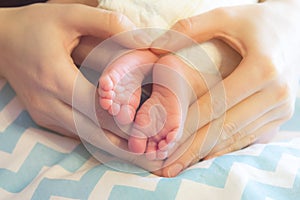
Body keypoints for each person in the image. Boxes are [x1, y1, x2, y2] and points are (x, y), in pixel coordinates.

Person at [96, 0, 252, 160]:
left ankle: (128, 55)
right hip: (224, 21)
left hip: (136, 14)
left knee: (92, 34)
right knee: (238, 72)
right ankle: (187, 78)